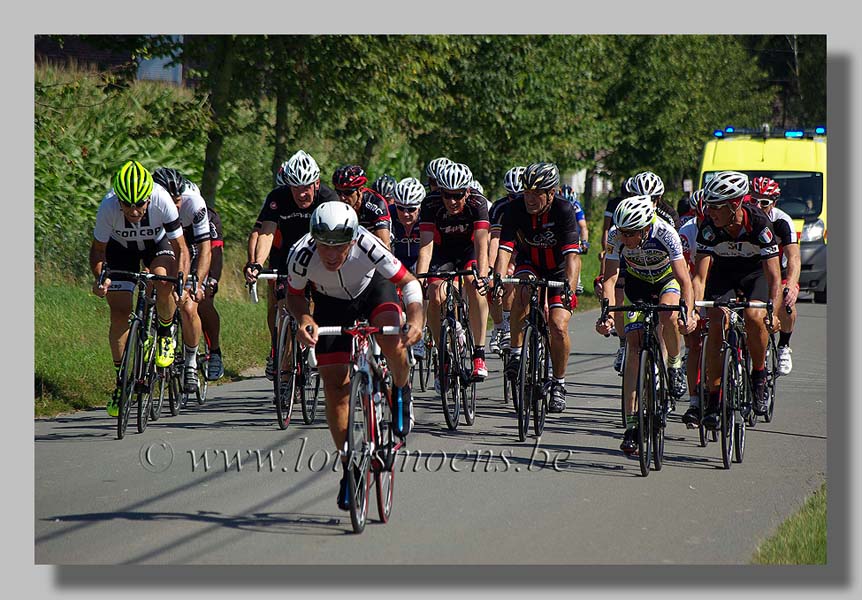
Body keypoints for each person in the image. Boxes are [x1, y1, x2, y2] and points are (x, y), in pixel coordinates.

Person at [286, 202, 423, 511]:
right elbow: (294, 296)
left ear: (351, 240)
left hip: (374, 291)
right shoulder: (302, 254)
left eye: (339, 247)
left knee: (392, 339)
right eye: (324, 246)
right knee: (335, 389)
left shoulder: (367, 244)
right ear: (314, 239)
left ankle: (400, 389)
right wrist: (305, 320)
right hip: (330, 304)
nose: (331, 255)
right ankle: (350, 468)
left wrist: (416, 320)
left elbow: (409, 282)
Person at [596, 196, 697, 452]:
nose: (626, 238)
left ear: (645, 227)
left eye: (631, 233)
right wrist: (607, 314)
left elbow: (684, 279)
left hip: (666, 281)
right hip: (637, 284)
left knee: (668, 316)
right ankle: (631, 424)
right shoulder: (616, 235)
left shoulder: (666, 232)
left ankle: (674, 364)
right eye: (623, 232)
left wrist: (689, 312)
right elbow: (610, 278)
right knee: (633, 347)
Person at [90, 160, 190, 417]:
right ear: (118, 200)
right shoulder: (108, 206)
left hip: (157, 246)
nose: (134, 211)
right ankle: (121, 382)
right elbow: (98, 251)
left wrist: (180, 279)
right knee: (120, 310)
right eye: (127, 205)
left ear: (148, 198)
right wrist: (101, 279)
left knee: (161, 278)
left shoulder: (161, 199)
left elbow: (181, 248)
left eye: (139, 205)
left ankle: (166, 332)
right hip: (120, 250)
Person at [692, 171, 782, 428]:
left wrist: (773, 313)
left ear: (734, 206)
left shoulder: (759, 223)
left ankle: (759, 375)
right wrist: (695, 311)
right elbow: (700, 277)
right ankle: (713, 396)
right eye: (708, 206)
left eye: (716, 207)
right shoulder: (709, 228)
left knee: (755, 317)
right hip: (724, 275)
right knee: (717, 319)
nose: (710, 212)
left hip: (755, 275)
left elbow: (774, 276)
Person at [492, 162, 581, 413]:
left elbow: (573, 257)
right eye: (526, 192)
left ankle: (559, 383)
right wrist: (498, 279)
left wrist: (569, 290)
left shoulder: (564, 210)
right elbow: (504, 250)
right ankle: (517, 353)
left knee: (558, 325)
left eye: (536, 193)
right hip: (529, 262)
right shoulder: (514, 209)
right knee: (522, 290)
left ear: (551, 193)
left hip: (559, 269)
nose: (529, 198)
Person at [245, 150, 338, 380]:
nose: (301, 193)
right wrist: (256, 263)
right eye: (295, 187)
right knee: (283, 308)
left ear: (316, 183)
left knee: (319, 301)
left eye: (306, 186)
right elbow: (266, 233)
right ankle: (285, 371)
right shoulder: (278, 197)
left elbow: (335, 236)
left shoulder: (328, 198)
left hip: (318, 254)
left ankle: (313, 345)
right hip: (285, 257)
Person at [415, 161, 491, 381]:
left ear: (467, 192)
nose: (452, 201)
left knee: (474, 286)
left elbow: (481, 244)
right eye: (447, 195)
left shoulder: (478, 203)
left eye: (457, 195)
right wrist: (421, 279)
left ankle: (479, 353)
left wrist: (483, 277)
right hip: (442, 252)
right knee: (435, 294)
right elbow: (426, 247)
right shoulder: (430, 204)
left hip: (469, 252)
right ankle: (443, 354)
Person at [150, 168, 213, 392]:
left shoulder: (194, 204)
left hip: (193, 251)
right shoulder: (149, 203)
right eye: (170, 200)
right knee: (152, 284)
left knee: (187, 306)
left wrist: (195, 282)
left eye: (177, 200)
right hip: (167, 248)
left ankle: (191, 362)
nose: (175, 206)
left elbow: (206, 249)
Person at [749, 176, 800, 375]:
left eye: (764, 202)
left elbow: (794, 257)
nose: (758, 206)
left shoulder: (781, 221)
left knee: (787, 304)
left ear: (774, 203)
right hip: (754, 270)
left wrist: (792, 285)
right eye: (753, 201)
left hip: (781, 269)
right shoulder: (745, 218)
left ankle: (783, 346)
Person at [600, 176, 637, 372]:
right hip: (623, 251)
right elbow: (607, 229)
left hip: (653, 263)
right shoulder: (616, 206)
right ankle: (623, 343)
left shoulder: (665, 215)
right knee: (619, 293)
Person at [488, 165, 524, 355]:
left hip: (527, 248)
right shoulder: (501, 207)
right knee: (502, 280)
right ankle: (502, 326)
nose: (516, 201)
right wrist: (490, 269)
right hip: (507, 247)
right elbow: (495, 240)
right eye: (512, 196)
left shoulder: (535, 206)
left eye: (520, 196)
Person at [331, 165, 391, 247]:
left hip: (374, 247)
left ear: (360, 190)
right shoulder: (335, 202)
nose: (342, 197)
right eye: (338, 192)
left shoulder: (375, 203)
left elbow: (385, 245)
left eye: (348, 192)